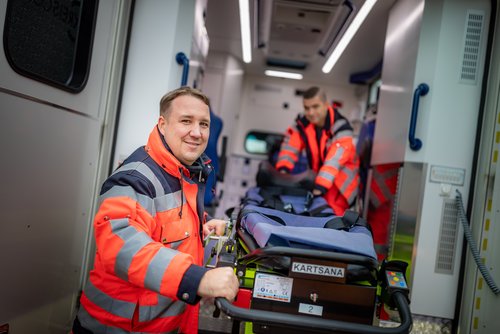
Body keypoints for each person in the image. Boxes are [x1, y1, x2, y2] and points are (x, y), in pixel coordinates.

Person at [72, 86, 239, 334]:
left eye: (204, 124)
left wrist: (201, 227)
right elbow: (120, 244)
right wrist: (197, 279)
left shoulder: (184, 170)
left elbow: (162, 226)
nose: (197, 132)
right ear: (163, 125)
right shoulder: (134, 179)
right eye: (186, 121)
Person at [275, 86, 359, 215]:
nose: (311, 113)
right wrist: (283, 171)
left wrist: (319, 187)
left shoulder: (342, 128)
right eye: (307, 108)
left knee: (332, 223)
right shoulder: (303, 124)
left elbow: (334, 161)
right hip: (320, 183)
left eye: (315, 107)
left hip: (340, 189)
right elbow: (290, 147)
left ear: (326, 105)